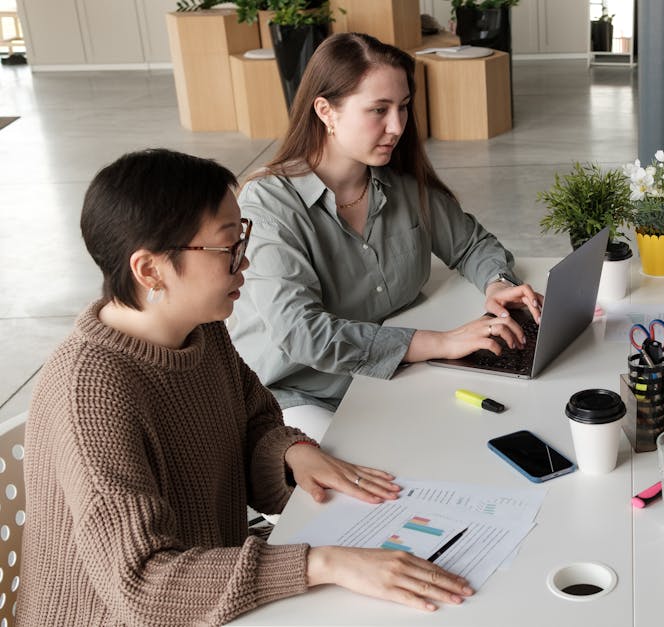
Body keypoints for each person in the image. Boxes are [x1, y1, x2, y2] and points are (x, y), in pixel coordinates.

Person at [20, 149, 474, 626]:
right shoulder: (89, 394)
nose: (246, 259)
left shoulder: (200, 329)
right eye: (227, 247)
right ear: (150, 270)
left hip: (212, 593)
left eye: (243, 238)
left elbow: (253, 424)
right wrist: (323, 564)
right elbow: (144, 584)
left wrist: (291, 455)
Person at [231, 33, 542, 439]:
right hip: (299, 394)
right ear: (326, 111)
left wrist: (496, 282)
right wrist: (441, 343)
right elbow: (303, 334)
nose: (396, 127)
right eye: (378, 110)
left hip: (393, 375)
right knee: (364, 470)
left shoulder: (400, 183)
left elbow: (471, 244)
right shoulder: (269, 203)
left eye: (403, 107)